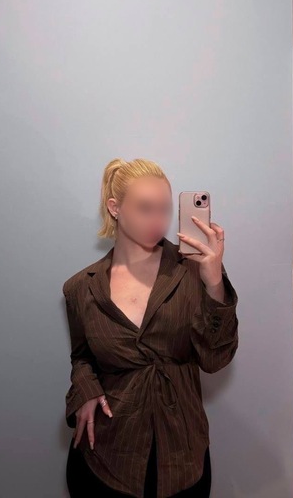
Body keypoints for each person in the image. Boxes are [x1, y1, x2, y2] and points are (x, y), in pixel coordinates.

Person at [64, 158, 239, 498]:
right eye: (145, 208)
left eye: (164, 209)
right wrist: (85, 390)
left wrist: (215, 284)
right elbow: (82, 356)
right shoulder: (81, 287)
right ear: (115, 208)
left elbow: (215, 359)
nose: (158, 221)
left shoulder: (193, 272)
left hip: (182, 455)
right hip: (107, 454)